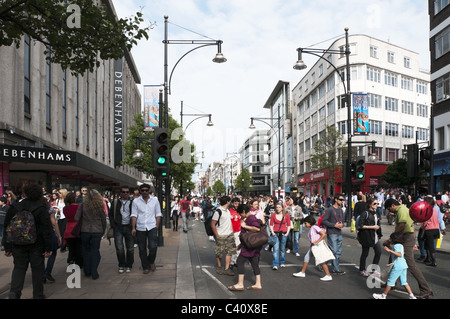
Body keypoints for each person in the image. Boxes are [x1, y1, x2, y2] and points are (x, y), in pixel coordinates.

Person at [3, 184, 53, 299]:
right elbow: (47, 230)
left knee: (19, 268)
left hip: (17, 244)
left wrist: (7, 247)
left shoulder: (15, 207)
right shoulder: (41, 208)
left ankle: (15, 292)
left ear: (25, 193)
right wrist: (48, 248)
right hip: (37, 244)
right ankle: (38, 294)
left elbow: (7, 227)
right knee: (37, 270)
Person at [384, 198, 433, 299]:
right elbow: (411, 225)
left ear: (393, 205)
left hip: (405, 238)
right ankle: (391, 283)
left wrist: (390, 239)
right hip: (407, 236)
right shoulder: (405, 209)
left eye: (389, 209)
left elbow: (402, 226)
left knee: (410, 264)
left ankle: (425, 289)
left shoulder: (401, 210)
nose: (390, 211)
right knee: (393, 258)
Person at [228, 204, 263, 291]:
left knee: (240, 261)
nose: (240, 215)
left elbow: (257, 228)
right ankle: (258, 283)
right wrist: (240, 245)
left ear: (244, 211)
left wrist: (244, 226)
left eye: (240, 213)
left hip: (249, 247)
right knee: (254, 263)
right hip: (252, 245)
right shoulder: (249, 218)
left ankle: (240, 284)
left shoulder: (251, 218)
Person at [75, 189, 107, 280]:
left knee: (86, 251)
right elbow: (103, 220)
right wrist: (103, 230)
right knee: (95, 250)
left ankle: (87, 270)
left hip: (85, 230)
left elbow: (76, 218)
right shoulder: (100, 206)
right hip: (97, 230)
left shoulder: (82, 205)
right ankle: (94, 271)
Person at [131, 184, 162, 274]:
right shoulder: (136, 201)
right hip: (140, 227)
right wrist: (133, 228)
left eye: (146, 190)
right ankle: (145, 266)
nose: (144, 192)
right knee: (142, 248)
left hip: (152, 226)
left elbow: (158, 214)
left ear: (149, 191)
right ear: (140, 191)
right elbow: (133, 215)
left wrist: (157, 226)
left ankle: (151, 261)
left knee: (153, 246)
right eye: (142, 190)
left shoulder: (155, 200)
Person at [292, 215, 333, 281]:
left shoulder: (314, 227)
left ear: (309, 222)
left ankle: (328, 275)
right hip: (314, 247)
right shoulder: (312, 228)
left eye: (306, 223)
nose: (305, 225)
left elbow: (323, 234)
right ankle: (302, 272)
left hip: (317, 246)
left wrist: (316, 242)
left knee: (321, 260)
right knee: (306, 257)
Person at [110, 186, 135, 273]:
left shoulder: (133, 202)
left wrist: (134, 226)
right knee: (119, 248)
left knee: (130, 248)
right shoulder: (115, 202)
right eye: (123, 192)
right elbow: (111, 214)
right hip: (118, 227)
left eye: (127, 192)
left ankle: (129, 265)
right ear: (120, 193)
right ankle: (121, 264)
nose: (125, 194)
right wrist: (113, 224)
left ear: (129, 193)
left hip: (129, 227)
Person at [320, 193, 346, 275]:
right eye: (341, 199)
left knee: (338, 252)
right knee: (334, 250)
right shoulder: (330, 210)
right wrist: (334, 225)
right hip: (332, 233)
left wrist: (342, 225)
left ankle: (326, 264)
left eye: (343, 200)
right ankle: (335, 268)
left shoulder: (341, 210)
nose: (342, 201)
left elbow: (343, 221)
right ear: (336, 199)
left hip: (339, 232)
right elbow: (324, 220)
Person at [211, 196, 235, 276]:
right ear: (227, 202)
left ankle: (227, 268)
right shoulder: (218, 211)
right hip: (221, 234)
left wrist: (232, 231)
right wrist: (217, 235)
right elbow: (213, 224)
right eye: (230, 201)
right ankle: (219, 267)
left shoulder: (227, 211)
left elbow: (229, 221)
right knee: (219, 252)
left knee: (229, 252)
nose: (230, 203)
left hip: (229, 234)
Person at [357, 197, 382, 276]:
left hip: (374, 236)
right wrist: (373, 227)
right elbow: (360, 225)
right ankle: (362, 269)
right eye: (374, 203)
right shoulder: (365, 213)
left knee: (378, 252)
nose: (376, 205)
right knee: (365, 253)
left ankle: (373, 269)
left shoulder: (375, 213)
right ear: (369, 204)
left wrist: (378, 233)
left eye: (377, 203)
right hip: (366, 236)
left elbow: (378, 224)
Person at [43, 203, 62, 283]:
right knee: (53, 252)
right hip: (49, 232)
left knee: (40, 255)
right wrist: (59, 235)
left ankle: (41, 274)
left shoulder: (31, 207)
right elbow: (54, 223)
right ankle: (47, 272)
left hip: (37, 234)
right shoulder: (49, 209)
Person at [269, 202, 291, 270]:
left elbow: (289, 225)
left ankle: (282, 262)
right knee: (275, 249)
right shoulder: (273, 215)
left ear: (282, 208)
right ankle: (275, 264)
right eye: (277, 207)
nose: (278, 209)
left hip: (283, 234)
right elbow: (271, 225)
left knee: (282, 249)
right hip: (275, 234)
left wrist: (287, 233)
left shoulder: (286, 215)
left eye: (279, 207)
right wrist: (272, 233)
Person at [63, 192, 83, 267]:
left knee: (71, 246)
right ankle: (79, 262)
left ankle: (70, 258)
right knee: (78, 246)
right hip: (77, 228)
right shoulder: (78, 207)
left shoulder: (65, 208)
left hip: (68, 229)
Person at [420, 196, 440, 267]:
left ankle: (433, 261)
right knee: (428, 244)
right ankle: (428, 258)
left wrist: (422, 227)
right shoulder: (434, 209)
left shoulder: (426, 210)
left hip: (429, 229)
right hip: (436, 229)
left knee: (430, 246)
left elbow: (424, 221)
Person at [229, 197, 241, 269]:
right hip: (231, 231)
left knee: (238, 248)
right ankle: (231, 262)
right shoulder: (229, 211)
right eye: (235, 204)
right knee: (232, 248)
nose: (237, 205)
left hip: (238, 231)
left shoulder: (239, 211)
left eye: (238, 204)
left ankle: (235, 261)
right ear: (232, 203)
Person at [56, 188, 68, 252]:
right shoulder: (57, 200)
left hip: (65, 217)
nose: (59, 194)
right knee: (60, 232)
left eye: (60, 193)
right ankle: (61, 245)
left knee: (64, 232)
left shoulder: (66, 200)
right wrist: (56, 210)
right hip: (59, 217)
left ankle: (63, 247)